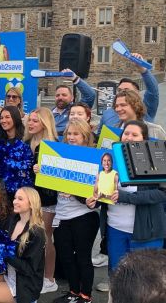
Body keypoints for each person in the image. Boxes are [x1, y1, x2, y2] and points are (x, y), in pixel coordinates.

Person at [89, 120, 166, 292]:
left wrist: (127, 197)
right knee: (119, 279)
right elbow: (102, 190)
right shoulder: (109, 159)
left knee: (147, 282)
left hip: (146, 232)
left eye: (134, 134)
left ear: (144, 139)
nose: (129, 137)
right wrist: (95, 199)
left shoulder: (154, 158)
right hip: (115, 229)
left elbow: (162, 194)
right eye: (126, 133)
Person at [52, 119, 99, 303]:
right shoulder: (60, 155)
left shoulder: (94, 157)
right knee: (66, 257)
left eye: (76, 134)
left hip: (84, 216)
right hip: (62, 215)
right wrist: (41, 171)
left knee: (82, 258)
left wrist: (74, 190)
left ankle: (86, 296)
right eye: (69, 134)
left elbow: (97, 194)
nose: (71, 137)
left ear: (85, 136)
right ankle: (73, 291)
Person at [24, 107, 59, 294]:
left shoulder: (52, 145)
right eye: (30, 120)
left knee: (45, 238)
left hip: (47, 200)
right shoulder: (29, 142)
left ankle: (50, 278)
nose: (31, 124)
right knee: (35, 238)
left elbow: (59, 177)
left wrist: (45, 171)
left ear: (45, 123)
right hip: (33, 198)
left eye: (35, 121)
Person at [97, 52, 159, 132]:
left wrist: (143, 69)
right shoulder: (107, 113)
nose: (122, 92)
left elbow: (153, 91)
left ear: (137, 93)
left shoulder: (145, 110)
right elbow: (100, 136)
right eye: (119, 90)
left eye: (126, 90)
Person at [51, 69, 95, 135]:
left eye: (64, 95)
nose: (60, 97)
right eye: (57, 95)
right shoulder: (49, 114)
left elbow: (90, 95)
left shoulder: (76, 110)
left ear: (72, 98)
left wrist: (75, 79)